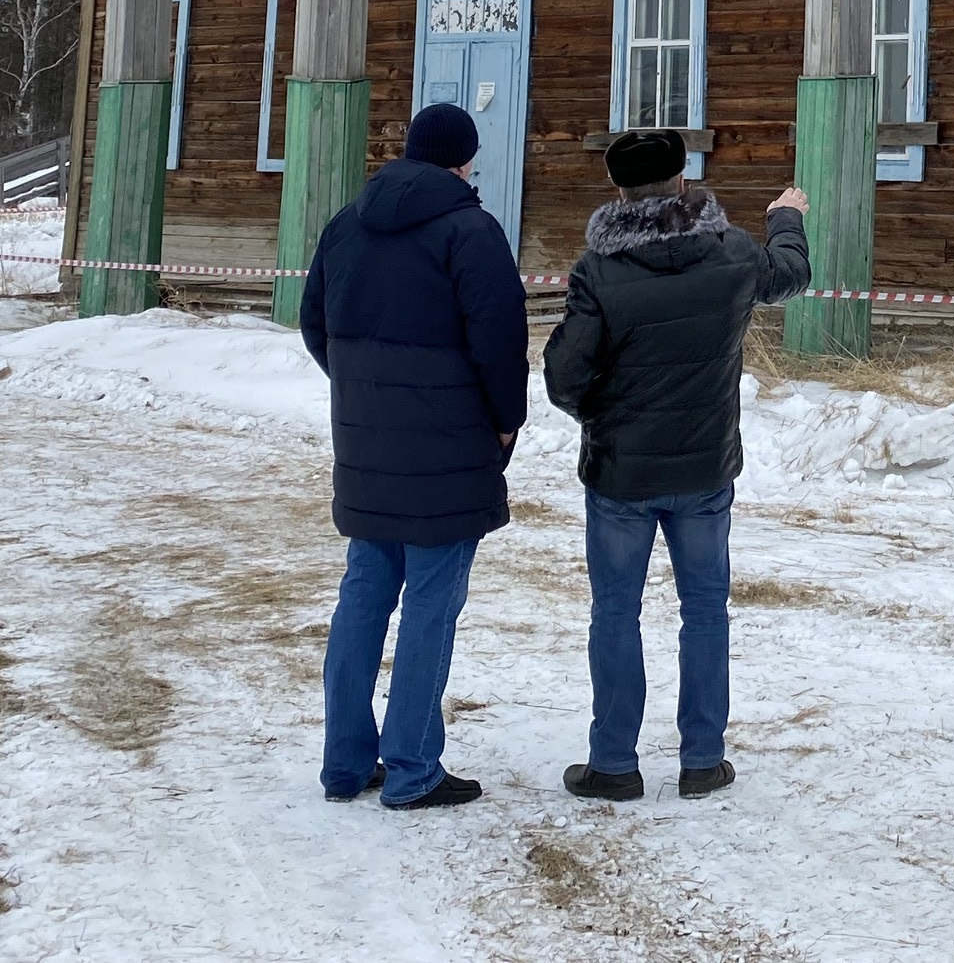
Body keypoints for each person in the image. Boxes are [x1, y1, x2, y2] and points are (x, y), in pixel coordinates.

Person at [543, 132, 810, 801]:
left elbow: (565, 377)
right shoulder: (730, 253)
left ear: (619, 190)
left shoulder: (597, 270)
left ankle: (612, 764)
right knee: (705, 610)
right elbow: (790, 274)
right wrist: (787, 217)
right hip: (704, 468)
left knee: (614, 612)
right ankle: (701, 760)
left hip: (620, 475)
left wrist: (605, 418)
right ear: (683, 180)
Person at [297, 102, 528, 808]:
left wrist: (364, 391)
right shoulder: (471, 231)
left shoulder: (346, 223)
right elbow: (500, 341)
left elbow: (314, 324)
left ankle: (344, 765)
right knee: (431, 603)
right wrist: (505, 424)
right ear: (465, 160)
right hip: (450, 445)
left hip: (366, 438)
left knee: (363, 594)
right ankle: (412, 768)